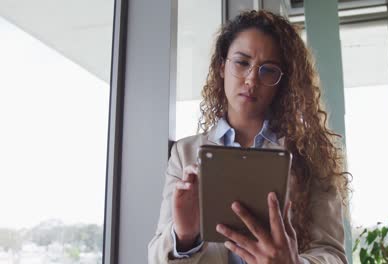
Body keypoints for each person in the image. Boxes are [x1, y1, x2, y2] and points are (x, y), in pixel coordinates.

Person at [148, 10, 349, 264]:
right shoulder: (185, 153)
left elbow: (334, 256)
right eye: (242, 63)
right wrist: (184, 235)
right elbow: (155, 257)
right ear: (222, 67)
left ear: (282, 82)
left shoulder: (309, 155)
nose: (252, 79)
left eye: (268, 70)